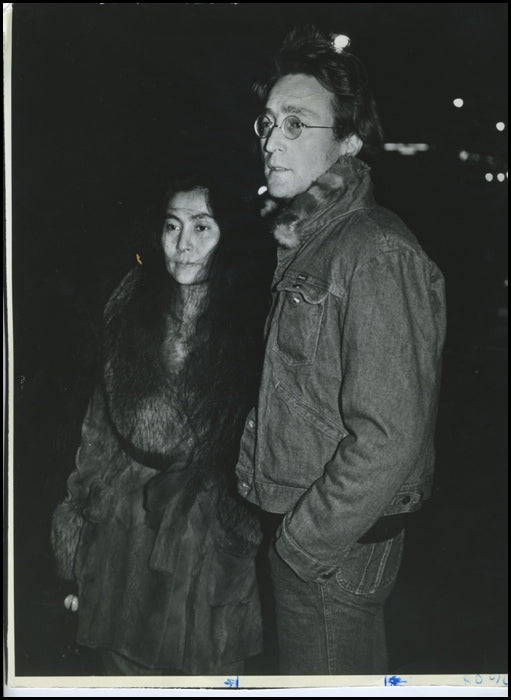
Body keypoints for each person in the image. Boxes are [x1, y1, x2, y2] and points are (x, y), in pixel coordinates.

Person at [235, 25, 447, 675]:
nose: (271, 139)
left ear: (349, 141)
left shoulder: (373, 250)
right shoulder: (307, 241)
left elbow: (388, 433)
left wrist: (300, 545)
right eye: (268, 122)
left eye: (296, 124)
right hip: (313, 531)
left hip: (332, 548)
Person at [50, 168, 273, 675]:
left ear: (229, 235)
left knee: (209, 668)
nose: (183, 245)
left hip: (206, 532)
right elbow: (99, 424)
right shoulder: (131, 303)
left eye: (202, 227)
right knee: (122, 666)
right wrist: (77, 522)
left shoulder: (252, 317)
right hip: (123, 527)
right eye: (173, 226)